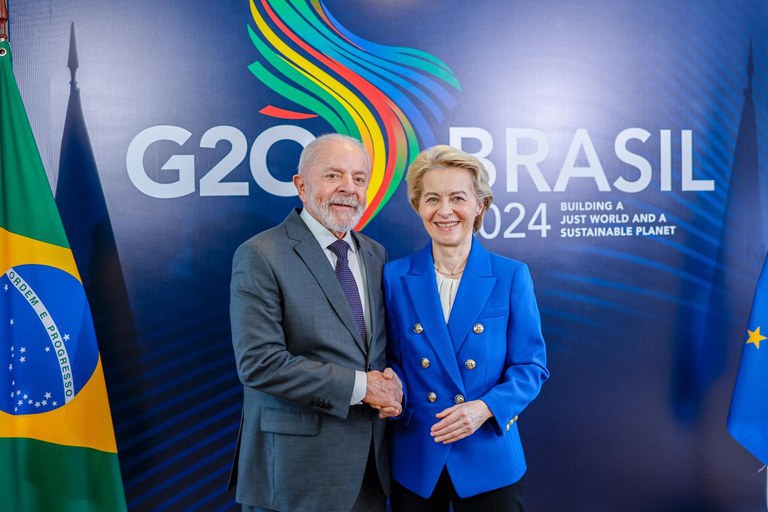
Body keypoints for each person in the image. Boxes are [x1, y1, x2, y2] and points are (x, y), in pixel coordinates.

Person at [229, 133, 403, 512]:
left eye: (359, 178)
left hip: (368, 472)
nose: (348, 188)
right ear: (301, 186)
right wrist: (363, 387)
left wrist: (391, 384)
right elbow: (259, 363)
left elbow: (376, 349)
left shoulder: (375, 254)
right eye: (333, 175)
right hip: (294, 475)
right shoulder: (260, 254)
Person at [383, 145, 549, 511]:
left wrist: (485, 408)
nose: (445, 211)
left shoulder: (511, 275)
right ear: (418, 206)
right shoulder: (394, 276)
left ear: (480, 205)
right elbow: (391, 358)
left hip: (488, 454)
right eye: (432, 199)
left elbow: (531, 367)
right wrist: (392, 390)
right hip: (418, 454)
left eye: (457, 198)